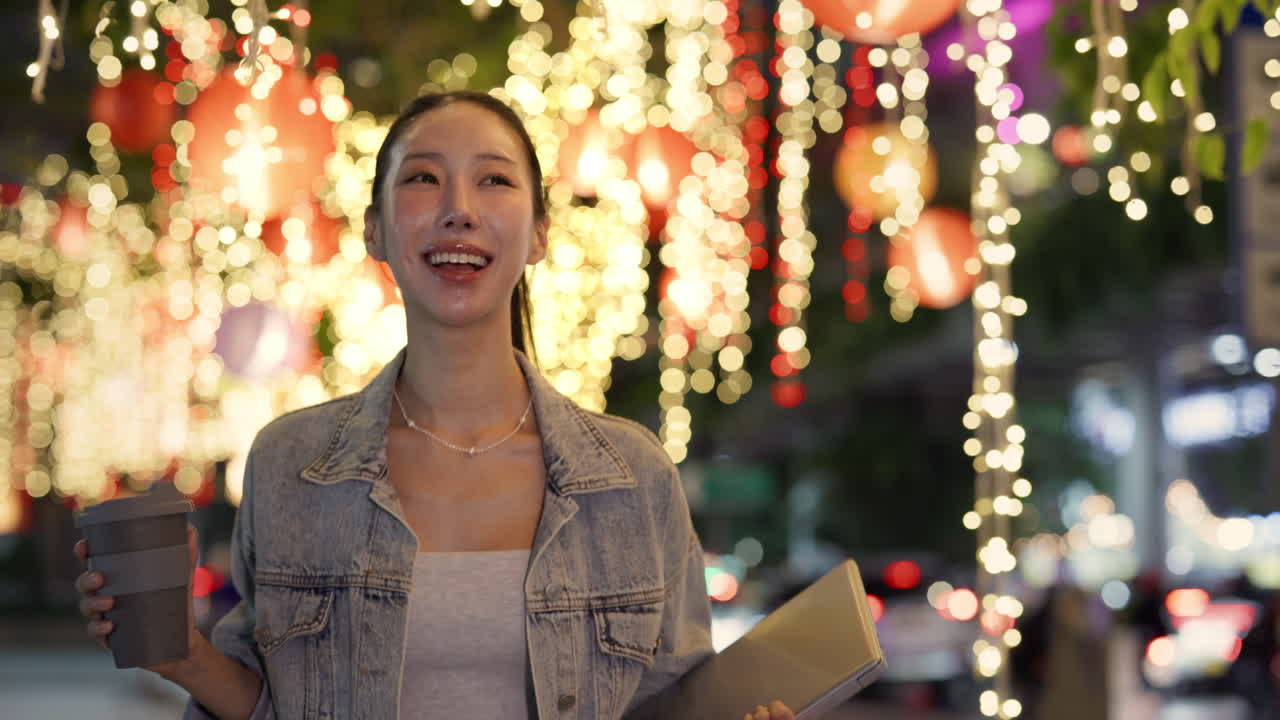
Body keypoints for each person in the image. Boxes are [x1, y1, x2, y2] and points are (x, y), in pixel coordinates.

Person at [74, 90, 794, 720]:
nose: (459, 210)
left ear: (540, 233)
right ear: (375, 230)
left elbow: (681, 705)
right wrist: (178, 652)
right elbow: (272, 703)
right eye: (423, 179)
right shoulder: (291, 465)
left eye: (494, 180)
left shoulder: (632, 478)